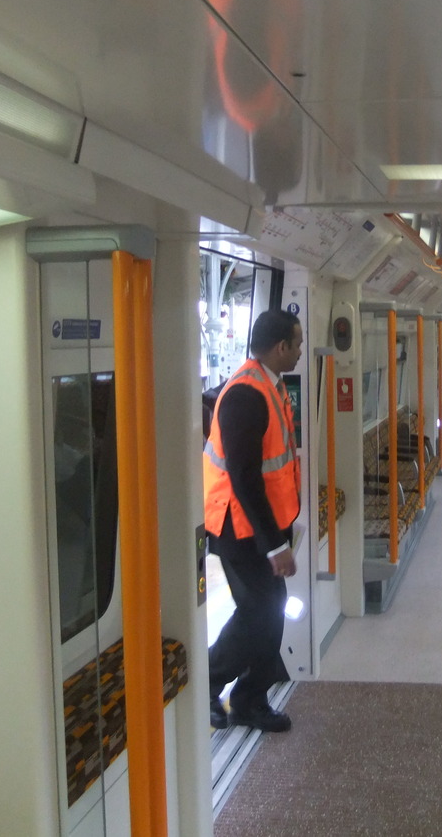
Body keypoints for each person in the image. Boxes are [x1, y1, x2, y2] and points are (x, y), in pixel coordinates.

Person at [204, 309, 304, 732]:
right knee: (260, 610)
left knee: (269, 609)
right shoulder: (247, 394)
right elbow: (244, 479)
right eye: (297, 344)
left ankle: (249, 698)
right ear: (281, 347)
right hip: (237, 527)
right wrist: (275, 546)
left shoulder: (270, 386)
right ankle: (212, 684)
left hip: (261, 527)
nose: (300, 351)